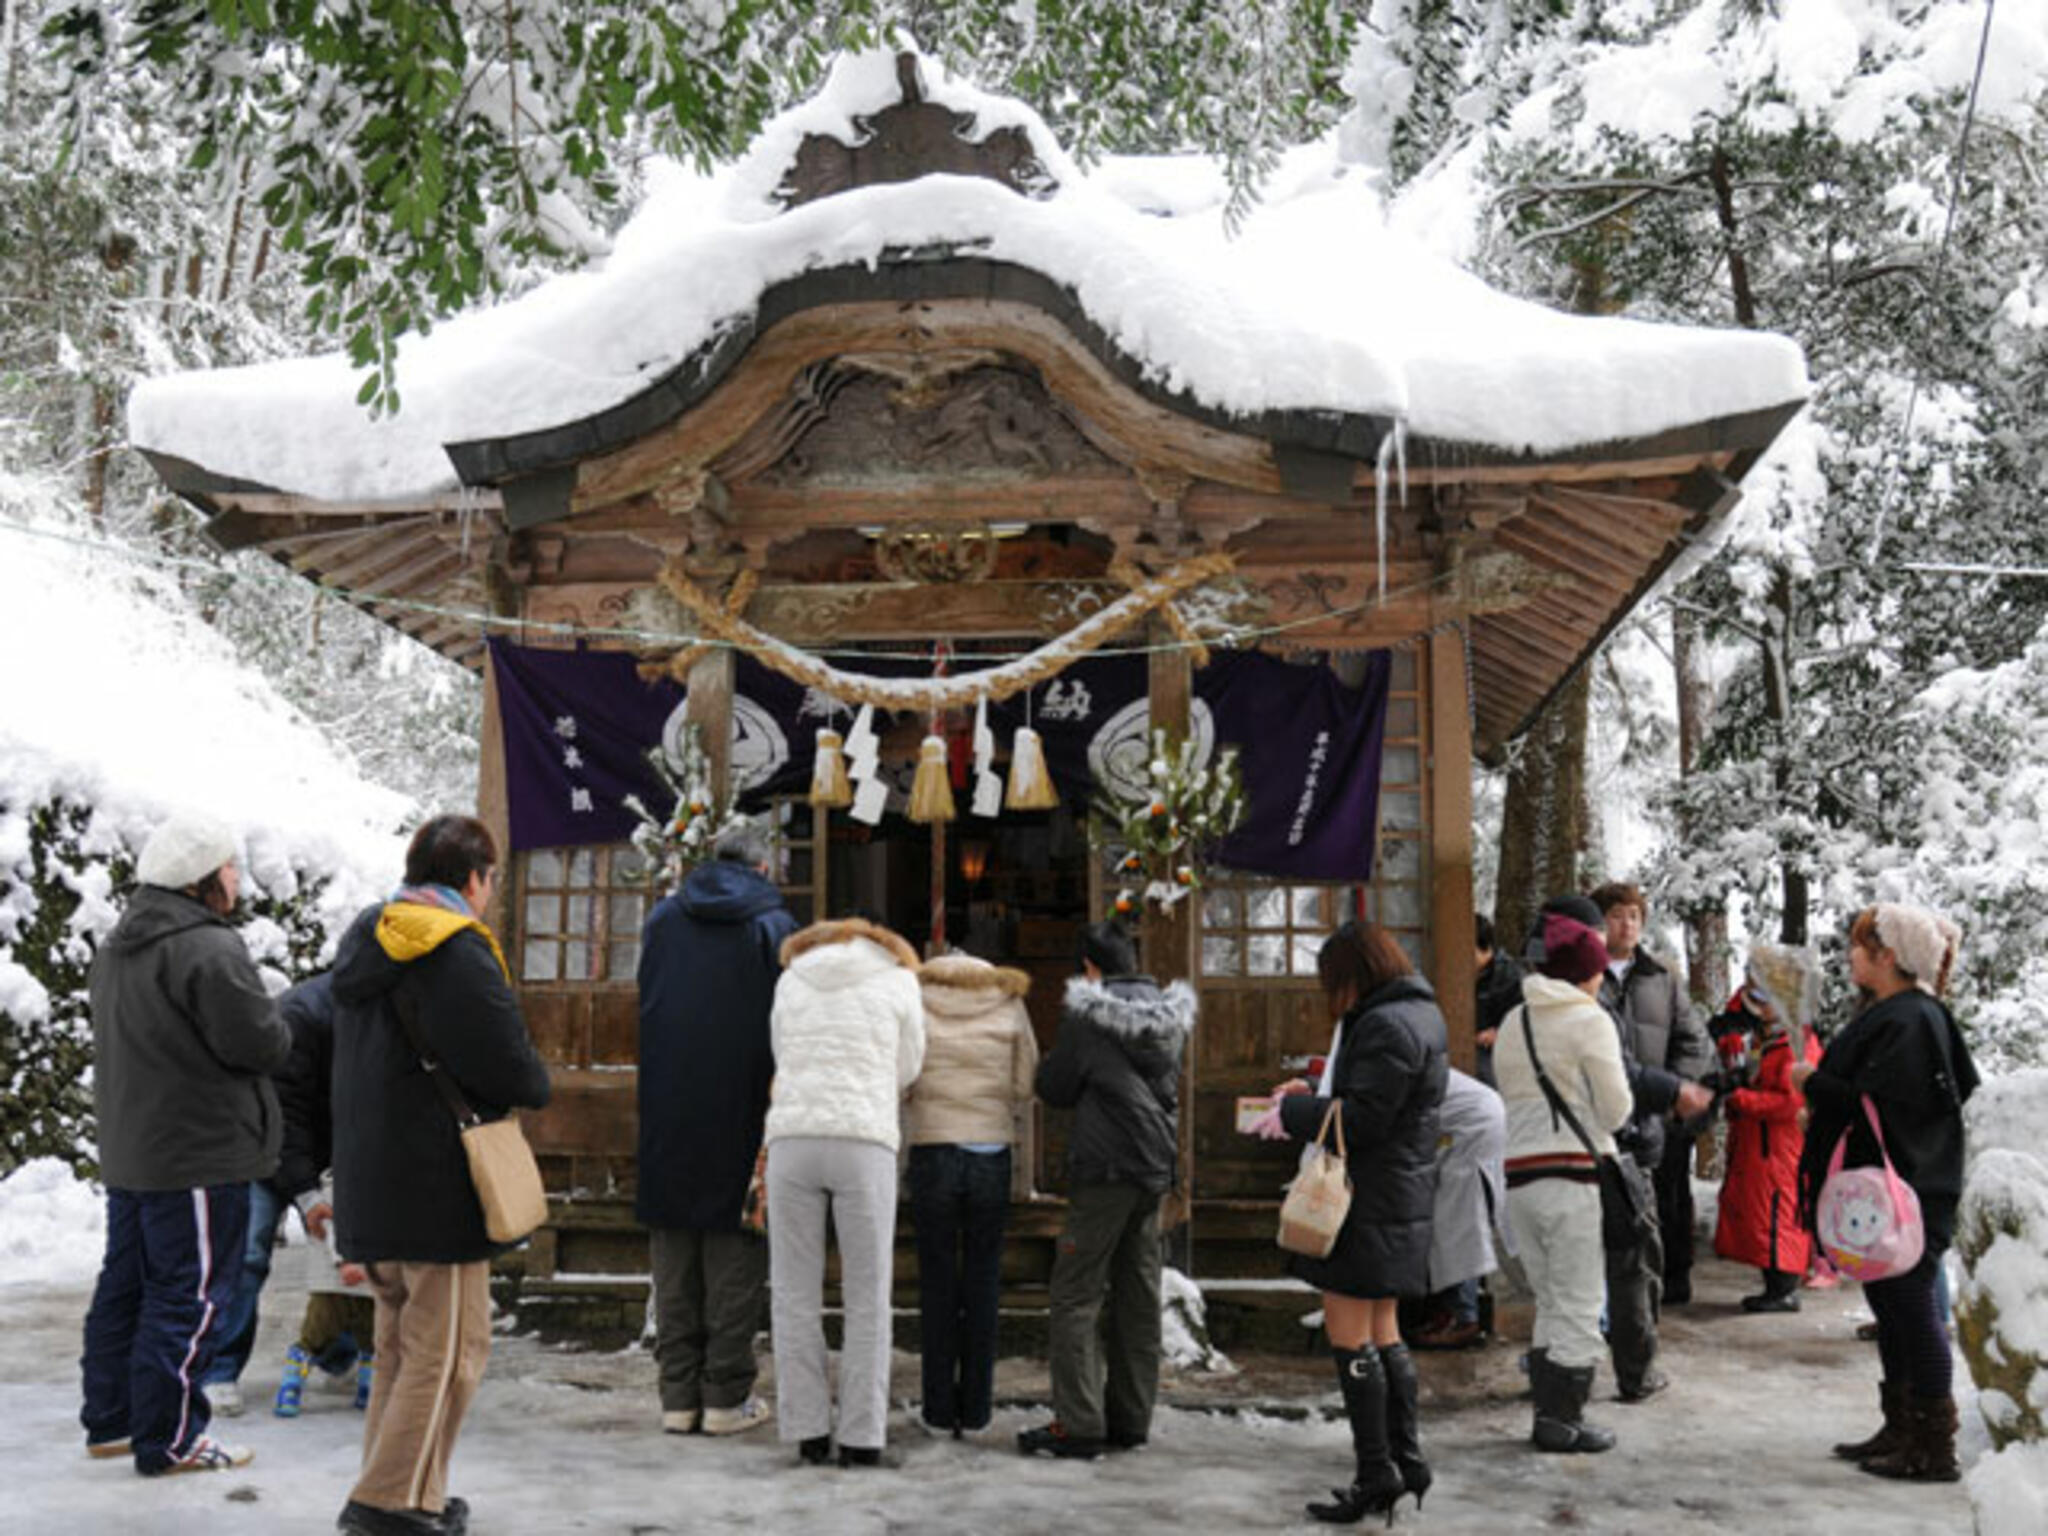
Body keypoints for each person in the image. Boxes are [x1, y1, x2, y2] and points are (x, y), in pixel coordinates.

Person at [330, 814, 552, 1536]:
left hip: (374, 1179)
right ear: (474, 878)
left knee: (400, 1347)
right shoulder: (455, 950)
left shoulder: (367, 942)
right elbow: (508, 1064)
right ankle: (387, 1503)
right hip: (438, 1185)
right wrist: (535, 1079)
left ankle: (405, 1489)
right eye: (491, 881)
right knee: (450, 1351)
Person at [79, 810, 290, 1474]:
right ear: (203, 879)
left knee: (127, 1287)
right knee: (189, 1297)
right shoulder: (207, 947)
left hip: (133, 1149)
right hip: (197, 1153)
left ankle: (112, 1422)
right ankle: (172, 1439)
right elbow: (261, 1042)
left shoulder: (119, 945)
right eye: (230, 867)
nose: (237, 878)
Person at [1252, 921, 1448, 1522]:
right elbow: (1374, 1097)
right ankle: (1404, 1459)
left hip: (1364, 1202)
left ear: (1353, 975)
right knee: (1383, 1329)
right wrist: (1315, 1088)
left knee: (1349, 1335)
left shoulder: (1385, 1023)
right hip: (1396, 1198)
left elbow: (1362, 1119)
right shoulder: (1419, 1014)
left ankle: (1375, 1472)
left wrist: (1292, 1110)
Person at [1795, 903, 1977, 1483]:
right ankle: (1901, 1426)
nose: (1849, 956)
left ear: (1888, 957)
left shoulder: (1911, 1018)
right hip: (1892, 1195)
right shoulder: (1905, 1013)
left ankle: (1931, 1443)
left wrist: (1811, 1084)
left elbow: (1876, 1102)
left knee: (1913, 1311)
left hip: (1905, 1195)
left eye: (1860, 946)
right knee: (1892, 1308)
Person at [635, 822, 796, 1439]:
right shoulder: (772, 925)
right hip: (743, 1101)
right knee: (735, 1252)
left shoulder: (663, 919)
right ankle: (726, 1397)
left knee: (674, 1249)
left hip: (669, 1100)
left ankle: (678, 1398)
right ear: (761, 868)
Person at [1019, 921, 1194, 1462]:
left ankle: (1078, 1423)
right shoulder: (1169, 1017)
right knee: (1138, 1291)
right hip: (1152, 1168)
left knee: (1075, 1291)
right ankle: (1131, 1417)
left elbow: (1055, 1086)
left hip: (1103, 1169)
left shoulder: (1089, 1014)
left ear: (1091, 967)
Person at [764, 916, 926, 1469]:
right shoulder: (900, 978)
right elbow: (910, 1065)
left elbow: (781, 1052)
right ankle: (861, 1435)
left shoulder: (791, 978)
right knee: (867, 1294)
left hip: (792, 1138)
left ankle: (807, 1430)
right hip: (865, 1139)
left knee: (792, 1294)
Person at [1494, 906, 1636, 1455]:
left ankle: (1548, 1413)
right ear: (1588, 973)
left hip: (1521, 1178)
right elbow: (1617, 1109)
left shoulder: (1514, 1021)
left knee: (1550, 1298)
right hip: (1573, 1176)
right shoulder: (1590, 1019)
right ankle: (1563, 1418)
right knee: (1578, 1300)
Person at [905, 952, 1038, 1437]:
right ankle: (977, 1409)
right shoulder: (1009, 1002)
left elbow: (903, 1075)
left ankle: (939, 1409)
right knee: (983, 1279)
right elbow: (1025, 1081)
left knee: (937, 1280)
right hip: (989, 1151)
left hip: (933, 1148)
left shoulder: (915, 1000)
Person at [199, 972, 338, 1419]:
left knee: (344, 1256)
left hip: (322, 1151)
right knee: (246, 1256)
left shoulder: (372, 1012)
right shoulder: (303, 1017)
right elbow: (285, 1116)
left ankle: (337, 1354)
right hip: (258, 1148)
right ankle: (218, 1371)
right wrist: (306, 1194)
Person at [1591, 882, 1715, 1308]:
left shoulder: (1663, 977)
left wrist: (1673, 1093)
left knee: (1670, 1200)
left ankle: (1673, 1281)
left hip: (1659, 1112)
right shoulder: (1585, 977)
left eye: (1634, 916)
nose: (1626, 925)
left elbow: (1693, 1040)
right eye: (1615, 915)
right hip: (1604, 1115)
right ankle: (1620, 1297)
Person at [1710, 944, 1821, 1314]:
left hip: (1779, 1142)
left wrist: (1739, 1098)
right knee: (1760, 1210)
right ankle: (1776, 1284)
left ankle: (1784, 1286)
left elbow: (1791, 1102)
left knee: (1779, 1210)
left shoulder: (1796, 1041)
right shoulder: (1761, 1033)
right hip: (1757, 1141)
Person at [1409, 1066, 1507, 1351]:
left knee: (1458, 1225)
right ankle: (1454, 1312)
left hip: (1473, 1132)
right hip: (1469, 1127)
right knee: (1456, 1223)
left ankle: (1464, 1318)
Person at [1472, 913, 1524, 1090]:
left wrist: (1499, 1032)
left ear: (1484, 948)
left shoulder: (1511, 976)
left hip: (1496, 1056)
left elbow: (1524, 1020)